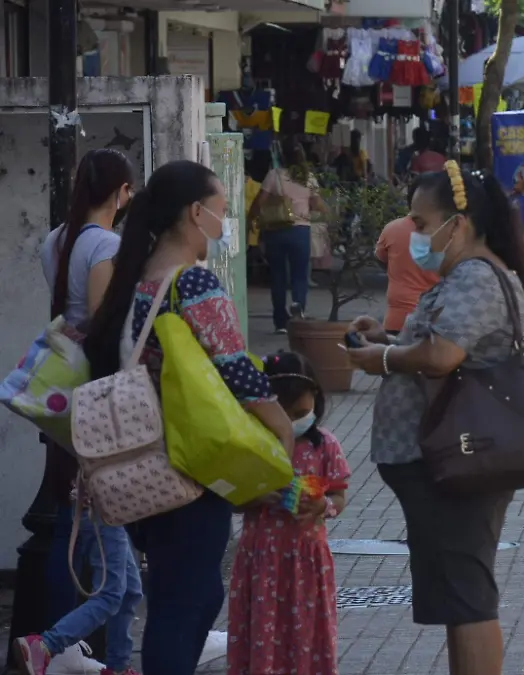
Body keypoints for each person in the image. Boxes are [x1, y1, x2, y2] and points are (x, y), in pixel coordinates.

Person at [82, 160, 295, 675]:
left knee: (186, 595)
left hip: (147, 464)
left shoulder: (134, 281)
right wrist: (282, 428)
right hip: (191, 465)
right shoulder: (191, 284)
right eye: (223, 210)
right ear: (196, 213)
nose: (227, 221)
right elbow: (236, 370)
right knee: (184, 604)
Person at [343, 160, 524, 675]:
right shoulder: (462, 275)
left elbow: (443, 355)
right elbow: (438, 346)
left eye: (422, 225)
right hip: (445, 459)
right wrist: (387, 341)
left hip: (459, 458)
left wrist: (383, 358)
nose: (414, 235)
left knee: (468, 597)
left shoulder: (476, 275)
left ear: (460, 224)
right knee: (458, 597)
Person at [18, 149, 142, 675]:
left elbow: (66, 314)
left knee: (87, 528)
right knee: (102, 536)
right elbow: (100, 323)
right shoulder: (106, 244)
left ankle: (109, 660)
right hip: (97, 398)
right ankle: (51, 643)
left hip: (61, 392)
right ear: (120, 192)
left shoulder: (56, 239)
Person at [227, 352, 350, 675]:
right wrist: (256, 498)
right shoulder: (254, 446)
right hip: (261, 560)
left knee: (306, 631)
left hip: (307, 560)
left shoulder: (325, 445)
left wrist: (325, 506)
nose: (293, 423)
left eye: (302, 413)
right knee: (262, 631)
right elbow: (232, 502)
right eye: (284, 413)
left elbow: (338, 494)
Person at [250, 141, 326, 334]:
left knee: (278, 276)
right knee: (300, 275)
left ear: (282, 157)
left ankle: (280, 322)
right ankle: (297, 312)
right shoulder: (308, 177)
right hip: (301, 231)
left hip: (276, 230)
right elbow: (318, 205)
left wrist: (251, 220)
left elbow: (259, 202)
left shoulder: (274, 175)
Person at [376, 209, 440, 334]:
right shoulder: (446, 232)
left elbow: (381, 258)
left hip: (397, 319)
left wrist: (397, 273)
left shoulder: (392, 228)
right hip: (434, 321)